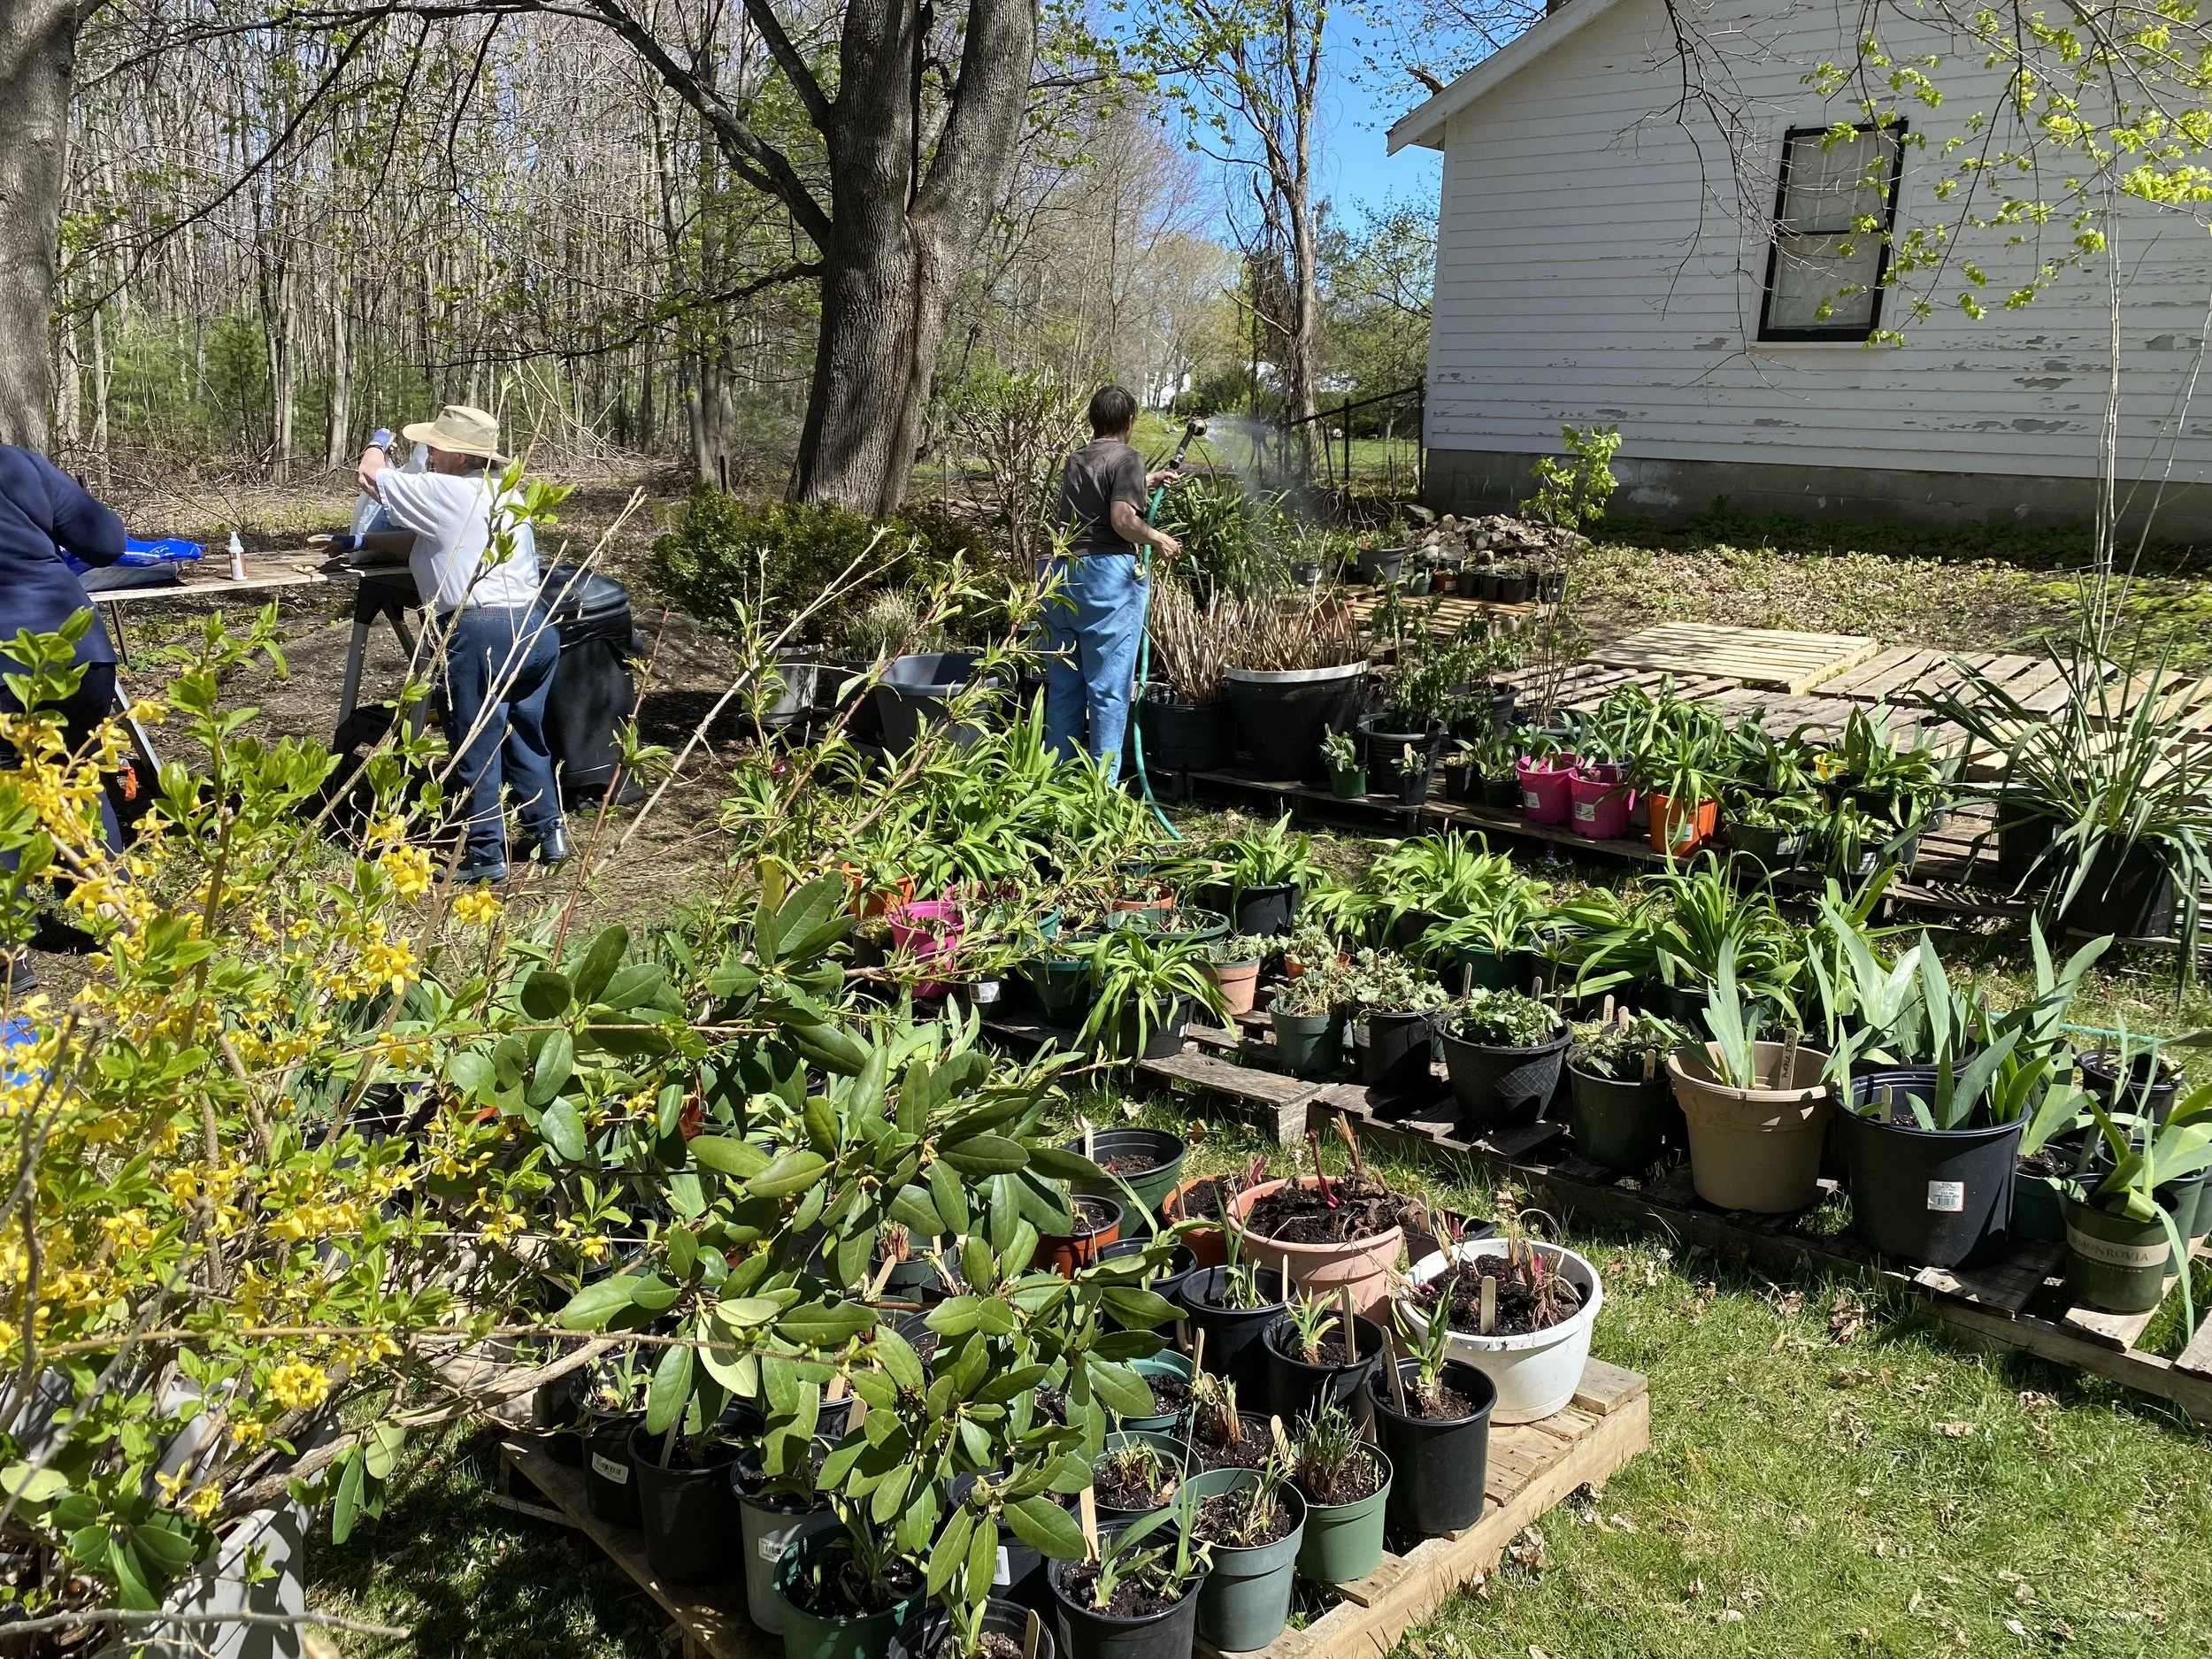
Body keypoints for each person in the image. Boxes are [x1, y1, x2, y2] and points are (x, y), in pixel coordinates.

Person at [355, 404, 565, 884]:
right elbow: (423, 541)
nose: (428, 454)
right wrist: (360, 542)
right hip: (534, 626)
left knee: (474, 740)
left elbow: (369, 476)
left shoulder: (444, 490)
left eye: (433, 447)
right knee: (524, 734)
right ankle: (548, 833)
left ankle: (486, 853)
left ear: (456, 454)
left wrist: (378, 441)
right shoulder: (504, 493)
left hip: (480, 631)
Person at [1042, 385, 1181, 780]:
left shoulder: (1076, 458)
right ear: (1130, 421)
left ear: (1094, 420)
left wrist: (1146, 480)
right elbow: (1122, 520)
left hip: (1059, 575)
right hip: (1104, 579)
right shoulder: (1128, 457)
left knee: (1064, 687)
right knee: (1107, 690)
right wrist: (1158, 538)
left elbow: (1096, 494)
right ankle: (1100, 793)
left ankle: (1054, 787)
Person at [0, 444, 128, 859]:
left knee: (5, 798)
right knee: (73, 773)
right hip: (79, 650)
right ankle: (109, 899)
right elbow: (106, 541)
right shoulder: (15, 463)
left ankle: (15, 902)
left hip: (9, 668)